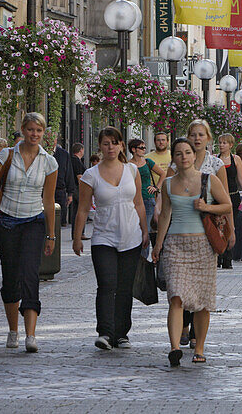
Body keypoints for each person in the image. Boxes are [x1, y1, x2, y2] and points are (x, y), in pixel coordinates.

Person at [0, 112, 59, 354]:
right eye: (31, 129)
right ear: (23, 130)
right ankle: (13, 330)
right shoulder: (7, 155)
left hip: (34, 222)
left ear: (44, 134)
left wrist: (51, 234)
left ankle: (31, 335)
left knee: (30, 274)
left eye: (39, 131)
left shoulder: (49, 162)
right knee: (11, 276)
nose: (35, 134)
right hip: (6, 223)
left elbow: (48, 199)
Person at [153, 137, 232, 366]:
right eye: (179, 154)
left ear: (194, 155)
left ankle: (199, 348)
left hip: (203, 247)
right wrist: (158, 245)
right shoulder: (168, 184)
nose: (184, 157)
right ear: (174, 158)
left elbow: (226, 205)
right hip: (175, 246)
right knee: (175, 296)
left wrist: (206, 207)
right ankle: (175, 347)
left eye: (187, 152)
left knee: (202, 301)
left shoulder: (209, 180)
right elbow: (166, 215)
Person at [73, 128, 150, 350]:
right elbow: (83, 209)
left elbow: (139, 203)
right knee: (107, 284)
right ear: (100, 146)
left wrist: (145, 231)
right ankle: (105, 332)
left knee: (125, 287)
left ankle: (121, 333)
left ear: (121, 146)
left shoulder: (131, 170)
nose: (110, 148)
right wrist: (77, 238)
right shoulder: (91, 175)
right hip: (103, 236)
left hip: (131, 236)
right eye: (106, 143)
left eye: (114, 143)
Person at [217, 133, 242, 270]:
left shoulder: (235, 159)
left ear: (231, 145)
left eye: (224, 143)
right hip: (218, 197)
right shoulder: (215, 159)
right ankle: (220, 254)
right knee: (219, 225)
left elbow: (241, 178)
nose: (221, 145)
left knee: (231, 226)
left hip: (233, 195)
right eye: (220, 143)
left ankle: (228, 257)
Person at [128, 138, 161, 235]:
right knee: (134, 230)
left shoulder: (147, 162)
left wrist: (156, 188)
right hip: (133, 200)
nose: (144, 150)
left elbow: (162, 174)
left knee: (145, 229)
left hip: (148, 199)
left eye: (144, 148)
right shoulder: (128, 165)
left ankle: (145, 249)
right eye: (141, 148)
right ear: (133, 149)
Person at [53, 137, 76, 228]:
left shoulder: (63, 154)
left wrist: (70, 193)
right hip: (43, 191)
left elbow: (69, 173)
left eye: (53, 138)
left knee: (59, 220)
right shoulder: (40, 152)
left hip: (59, 190)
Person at [69, 142, 86, 224]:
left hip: (73, 187)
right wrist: (83, 189)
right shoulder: (77, 161)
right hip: (78, 188)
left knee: (75, 211)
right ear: (81, 150)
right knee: (81, 209)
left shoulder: (71, 160)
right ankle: (80, 232)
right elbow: (79, 176)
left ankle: (75, 232)